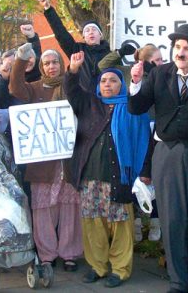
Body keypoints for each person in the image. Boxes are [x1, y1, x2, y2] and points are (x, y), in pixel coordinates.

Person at [128, 24, 188, 293]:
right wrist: (135, 83)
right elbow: (137, 108)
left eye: (187, 48)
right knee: (172, 218)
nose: (180, 53)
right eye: (177, 47)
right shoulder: (160, 74)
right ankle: (178, 281)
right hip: (167, 154)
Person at [65, 52, 150, 288]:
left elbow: (143, 139)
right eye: (103, 81)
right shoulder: (89, 105)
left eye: (113, 80)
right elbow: (72, 91)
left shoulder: (133, 107)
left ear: (121, 84)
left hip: (119, 176)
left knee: (120, 224)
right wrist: (73, 70)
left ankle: (120, 269)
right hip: (90, 176)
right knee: (92, 223)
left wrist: (143, 172)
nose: (107, 85)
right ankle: (97, 266)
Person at [9, 44, 82, 272]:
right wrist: (21, 59)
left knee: (70, 207)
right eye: (47, 63)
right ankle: (46, 253)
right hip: (42, 161)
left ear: (62, 65)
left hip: (69, 159)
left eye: (55, 62)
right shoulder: (33, 89)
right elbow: (14, 87)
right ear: (41, 66)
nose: (52, 67)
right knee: (43, 209)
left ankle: (70, 253)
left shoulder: (74, 85)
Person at [98, 43, 163, 242]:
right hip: (135, 127)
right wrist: (119, 53)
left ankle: (155, 221)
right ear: (145, 61)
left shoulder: (161, 75)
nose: (161, 63)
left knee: (151, 176)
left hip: (155, 128)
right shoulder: (127, 72)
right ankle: (135, 222)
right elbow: (102, 66)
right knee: (133, 174)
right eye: (157, 60)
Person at [38, 0, 110, 86]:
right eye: (87, 31)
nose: (91, 32)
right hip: (83, 97)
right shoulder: (76, 50)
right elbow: (61, 33)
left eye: (94, 29)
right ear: (84, 37)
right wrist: (48, 9)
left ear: (100, 35)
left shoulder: (109, 53)